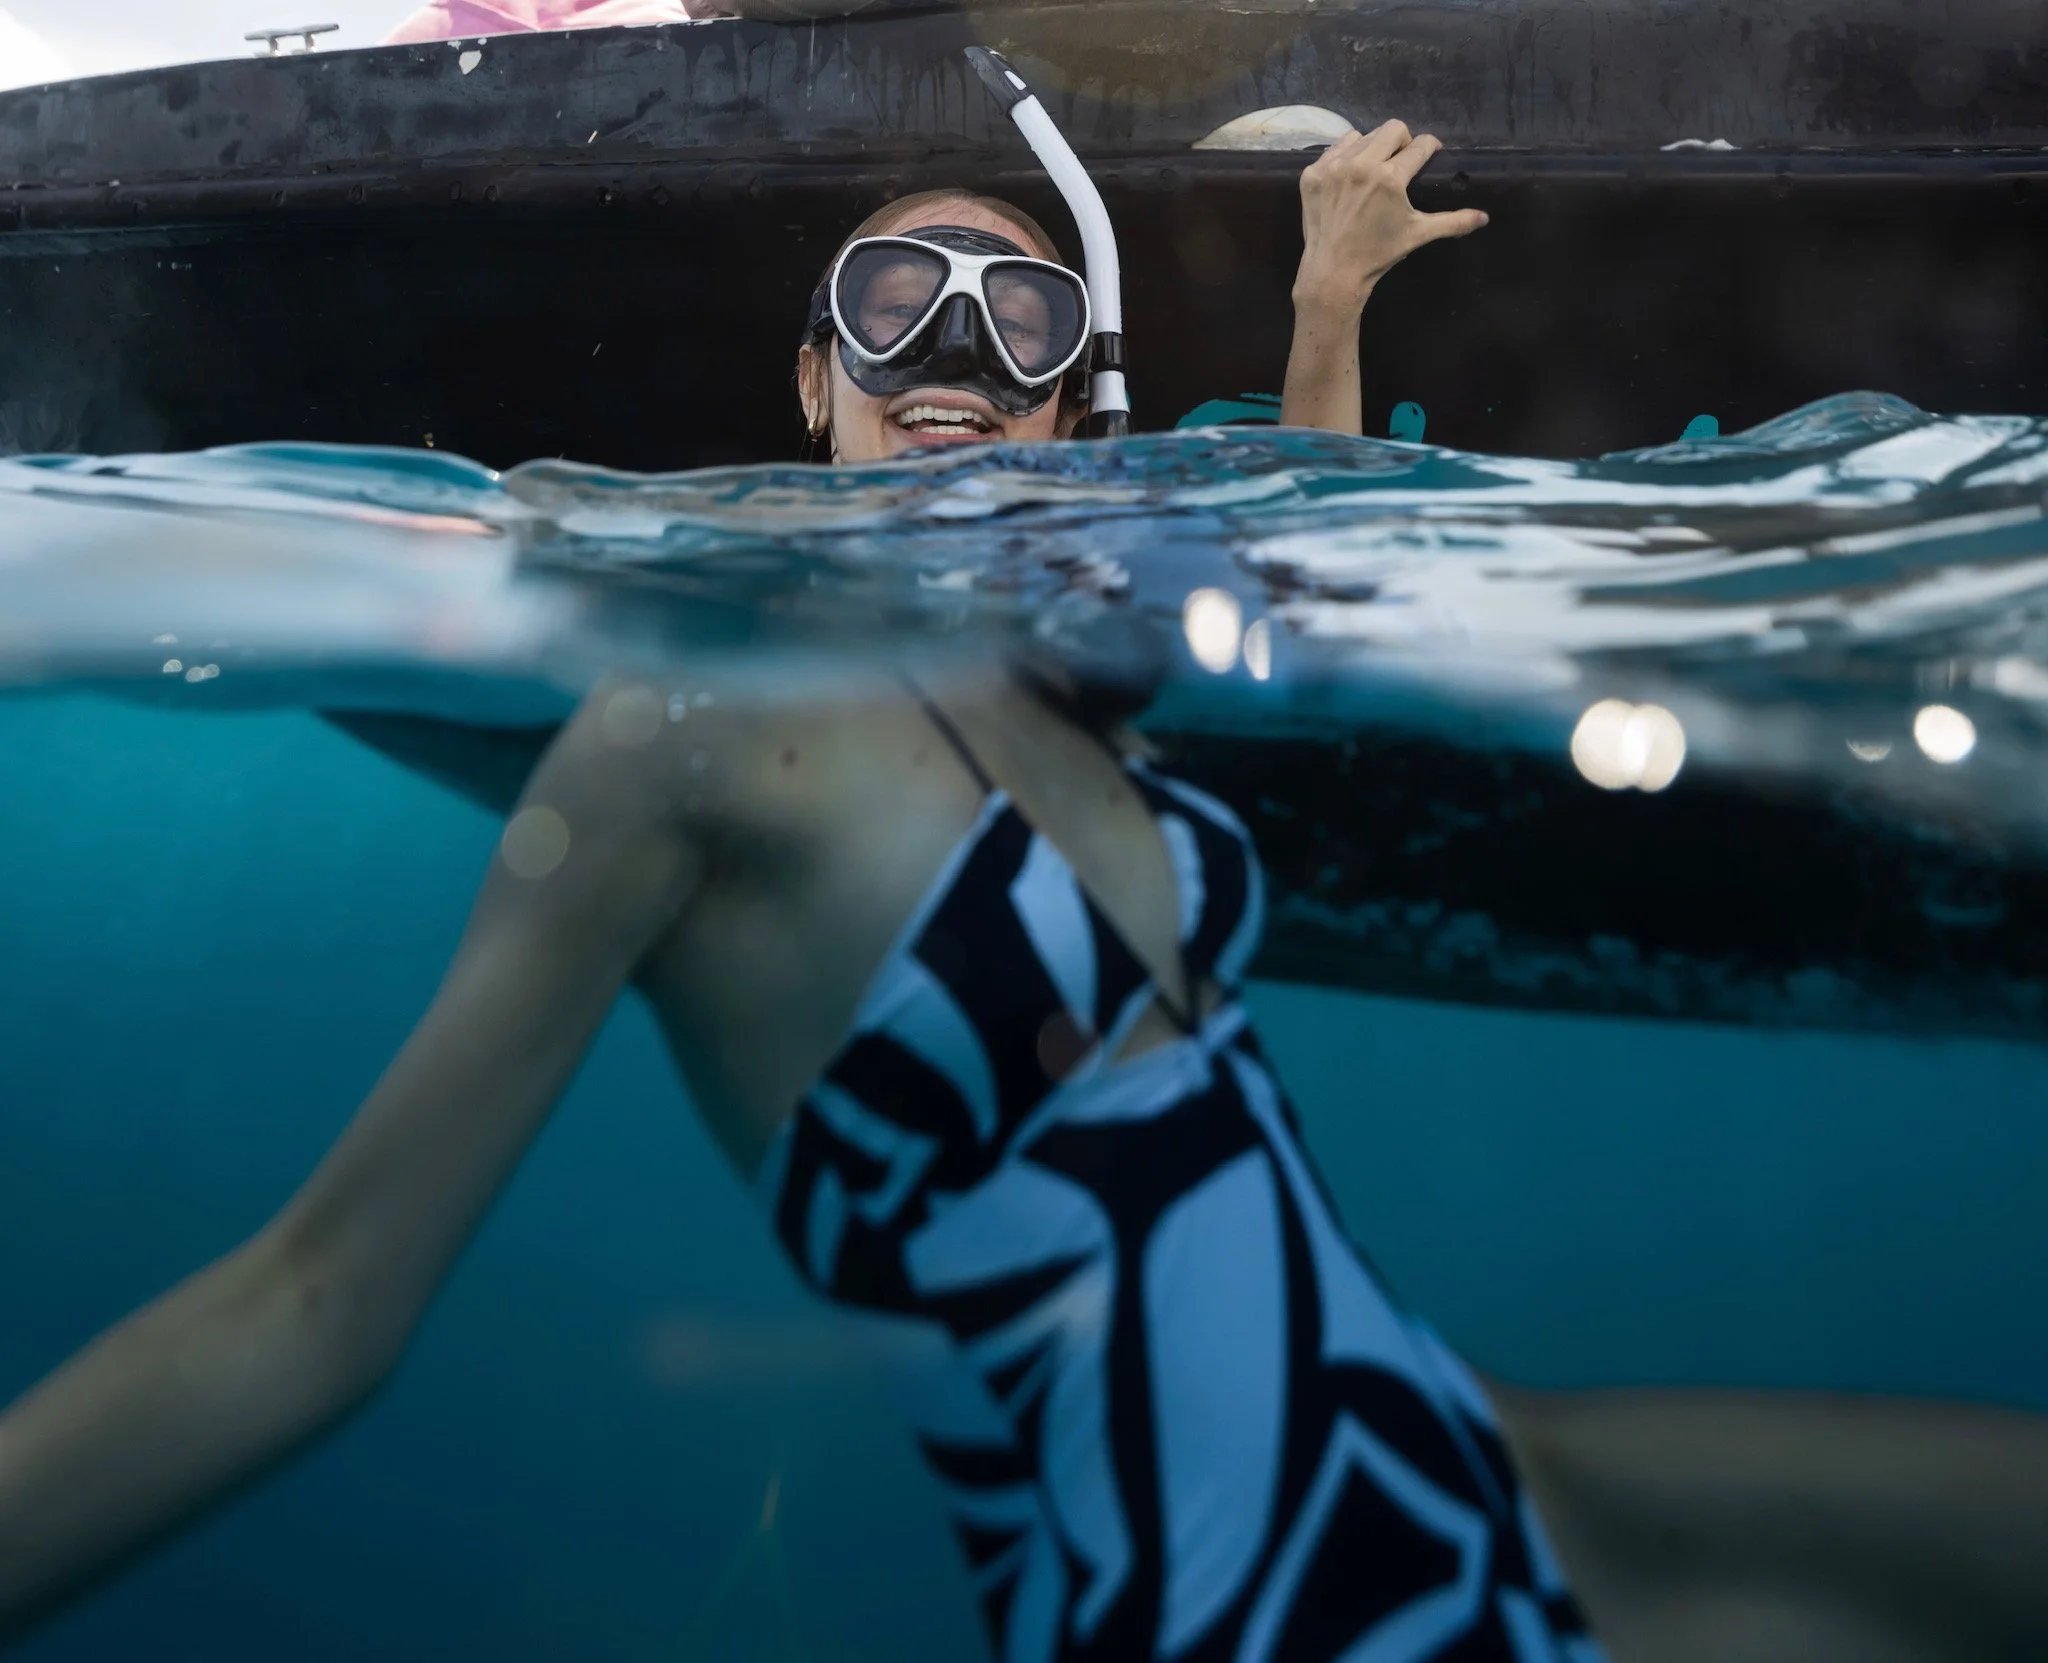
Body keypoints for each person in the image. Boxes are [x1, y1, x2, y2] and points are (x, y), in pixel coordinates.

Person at [4, 124, 2044, 1663]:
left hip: (1481, 1457)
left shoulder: (1081, 703)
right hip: (1210, 1593)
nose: (955, 350)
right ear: (811, 382)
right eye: (895, 304)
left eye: (1021, 318)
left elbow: (1317, 588)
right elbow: (314, 1301)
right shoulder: (681, 729)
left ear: (1081, 398)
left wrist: (1329, 298)